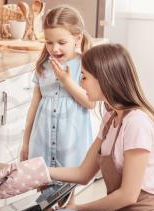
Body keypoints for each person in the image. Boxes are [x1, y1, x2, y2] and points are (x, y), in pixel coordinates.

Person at [27, 43, 154, 211]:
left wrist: (79, 209)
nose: (81, 83)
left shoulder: (136, 123)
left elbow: (128, 195)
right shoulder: (110, 118)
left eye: (84, 77)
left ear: (103, 79)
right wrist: (37, 170)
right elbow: (83, 173)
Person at [20, 5, 95, 169]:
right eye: (49, 42)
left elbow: (90, 103)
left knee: (67, 190)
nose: (54, 49)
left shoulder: (85, 65)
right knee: (45, 186)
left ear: (77, 38)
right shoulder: (43, 66)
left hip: (72, 144)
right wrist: (25, 143)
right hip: (42, 141)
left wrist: (66, 81)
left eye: (62, 42)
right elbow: (33, 107)